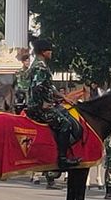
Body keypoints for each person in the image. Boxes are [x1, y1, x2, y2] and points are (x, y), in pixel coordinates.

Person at [25, 39, 80, 170]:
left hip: (40, 105)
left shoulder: (38, 65)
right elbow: (37, 87)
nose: (51, 52)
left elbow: (49, 87)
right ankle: (62, 159)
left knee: (65, 112)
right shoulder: (40, 67)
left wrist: (64, 98)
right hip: (39, 108)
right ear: (44, 52)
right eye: (49, 50)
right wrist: (45, 103)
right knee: (65, 123)